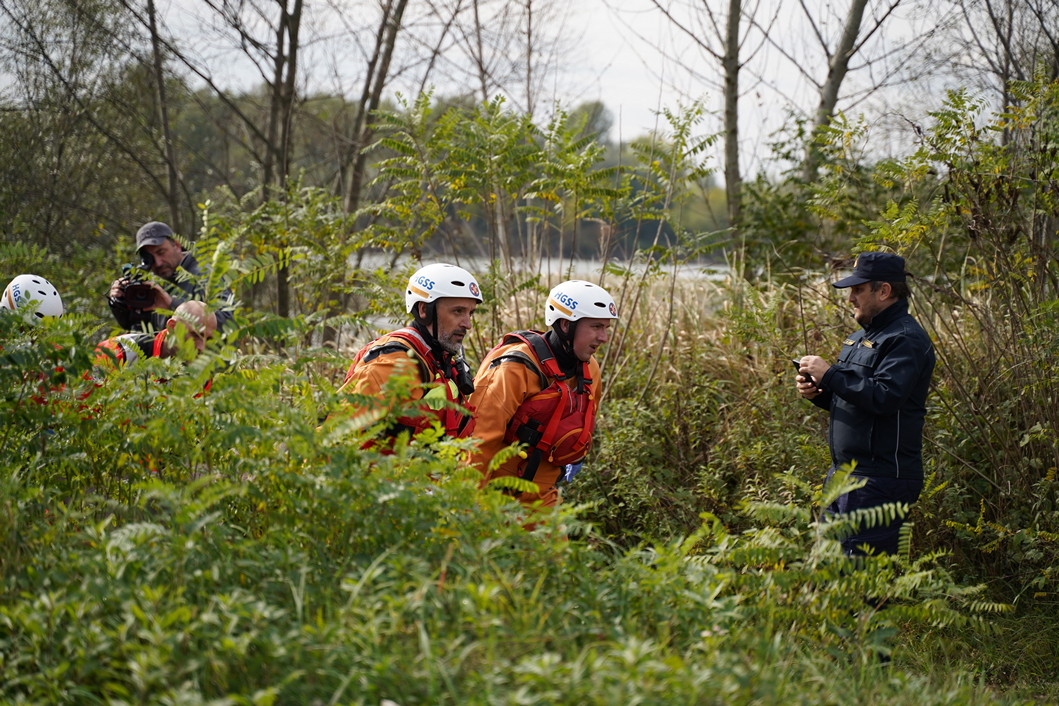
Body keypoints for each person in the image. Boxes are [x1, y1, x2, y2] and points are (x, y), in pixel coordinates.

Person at [796, 252, 936, 556]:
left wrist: (830, 374)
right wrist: (820, 392)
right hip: (843, 477)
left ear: (883, 291)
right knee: (833, 580)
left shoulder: (906, 340)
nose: (850, 299)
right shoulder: (858, 338)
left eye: (858, 290)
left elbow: (885, 398)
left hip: (879, 480)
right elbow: (859, 400)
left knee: (864, 585)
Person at [468, 280, 618, 509]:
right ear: (566, 325)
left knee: (557, 545)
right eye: (596, 327)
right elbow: (478, 443)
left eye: (606, 328)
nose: (604, 337)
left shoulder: (590, 368)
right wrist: (465, 506)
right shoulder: (514, 368)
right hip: (497, 495)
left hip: (543, 495)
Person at [336, 263, 482, 444]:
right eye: (458, 311)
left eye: (471, 313)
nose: (467, 324)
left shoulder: (438, 359)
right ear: (423, 310)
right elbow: (334, 434)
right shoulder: (394, 363)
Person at [107, 221, 234, 333]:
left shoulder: (205, 276)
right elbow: (141, 331)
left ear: (177, 246)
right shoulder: (155, 283)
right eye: (150, 258)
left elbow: (228, 322)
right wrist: (119, 305)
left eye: (161, 252)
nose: (158, 262)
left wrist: (173, 306)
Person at [97, 300, 217, 366]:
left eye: (208, 340)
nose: (201, 347)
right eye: (195, 335)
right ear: (172, 327)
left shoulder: (201, 375)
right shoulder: (117, 352)